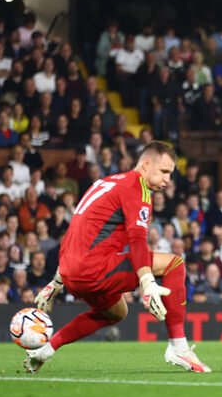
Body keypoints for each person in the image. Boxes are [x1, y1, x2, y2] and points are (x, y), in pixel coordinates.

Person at [27, 141, 210, 373]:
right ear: (146, 164)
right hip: (92, 269)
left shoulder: (104, 183)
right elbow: (136, 240)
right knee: (175, 264)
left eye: (170, 174)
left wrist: (56, 283)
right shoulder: (136, 188)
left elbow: (77, 233)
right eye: (164, 171)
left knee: (116, 312)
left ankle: (44, 351)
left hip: (72, 272)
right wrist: (147, 281)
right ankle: (179, 347)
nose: (167, 180)